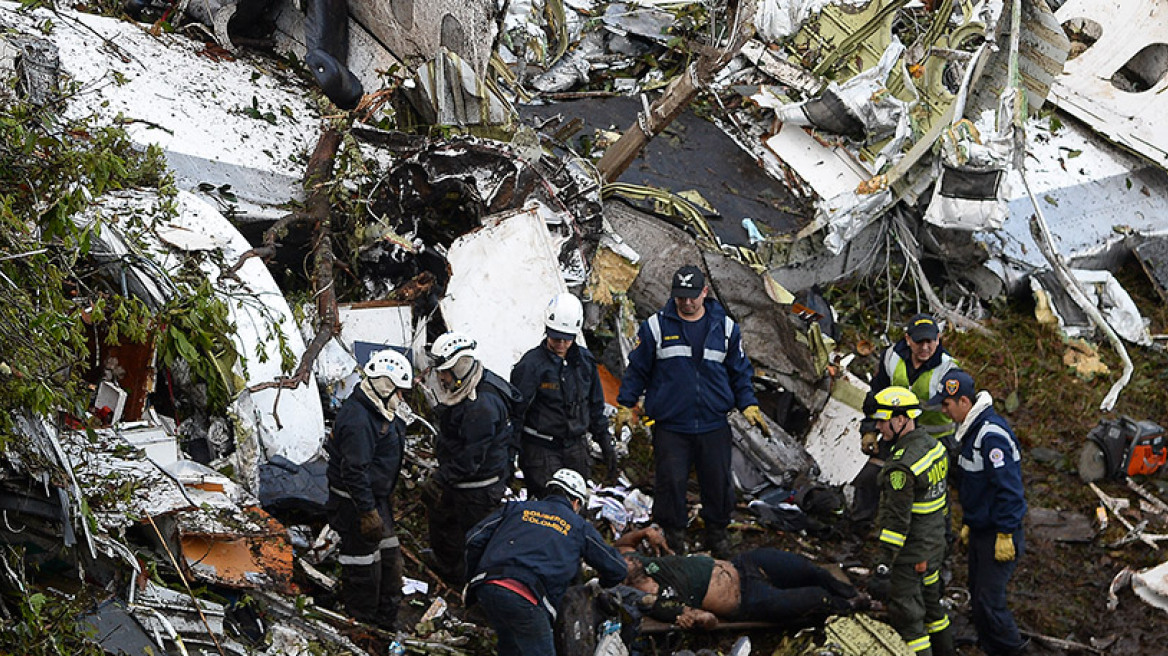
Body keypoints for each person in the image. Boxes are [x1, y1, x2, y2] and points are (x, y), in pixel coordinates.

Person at [615, 265, 768, 557]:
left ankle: (717, 533)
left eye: (692, 297)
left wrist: (748, 403)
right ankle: (673, 536)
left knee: (718, 482)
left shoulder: (725, 328)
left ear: (704, 292)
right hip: (671, 425)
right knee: (670, 482)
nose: (686, 302)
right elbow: (638, 371)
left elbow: (740, 372)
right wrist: (625, 404)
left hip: (713, 424)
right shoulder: (656, 327)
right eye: (681, 297)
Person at [465, 469, 628, 656]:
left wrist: (473, 576)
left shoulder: (517, 508)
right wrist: (601, 584)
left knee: (511, 645)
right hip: (527, 597)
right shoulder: (578, 526)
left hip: (487, 587)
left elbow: (474, 538)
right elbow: (617, 568)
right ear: (576, 502)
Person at [931, 370, 1028, 656]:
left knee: (990, 601)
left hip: (998, 533)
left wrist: (1006, 532)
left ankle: (1013, 652)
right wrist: (970, 522)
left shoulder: (990, 436)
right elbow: (975, 485)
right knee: (977, 596)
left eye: (947, 405)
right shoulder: (970, 432)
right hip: (981, 529)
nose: (944, 412)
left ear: (964, 401)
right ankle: (990, 648)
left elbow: (1009, 490)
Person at [615, 526, 866, 630]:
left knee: (811, 571)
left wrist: (644, 532)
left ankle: (852, 592)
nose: (627, 560)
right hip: (747, 598)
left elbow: (624, 544)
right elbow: (707, 620)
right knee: (816, 597)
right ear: (622, 580)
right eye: (624, 563)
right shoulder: (652, 598)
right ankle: (849, 605)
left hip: (745, 565)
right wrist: (700, 619)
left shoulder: (632, 560)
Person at [423, 331, 523, 587]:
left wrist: (440, 479)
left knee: (473, 538)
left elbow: (470, 459)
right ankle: (449, 568)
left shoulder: (482, 407)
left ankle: (468, 583)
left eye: (445, 372)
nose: (441, 378)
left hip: (477, 488)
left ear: (460, 367)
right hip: (466, 480)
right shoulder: (475, 385)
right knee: (445, 524)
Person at [324, 349, 413, 629]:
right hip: (355, 505)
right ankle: (361, 624)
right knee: (362, 565)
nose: (402, 398)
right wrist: (367, 512)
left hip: (376, 501)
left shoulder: (380, 411)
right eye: (399, 391)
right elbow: (354, 471)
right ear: (386, 387)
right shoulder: (359, 420)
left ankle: (386, 620)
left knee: (390, 560)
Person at [852, 312, 959, 535]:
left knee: (934, 492)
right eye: (919, 342)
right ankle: (857, 532)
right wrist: (869, 430)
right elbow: (875, 397)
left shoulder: (948, 370)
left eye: (930, 341)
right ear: (908, 339)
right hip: (897, 436)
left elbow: (959, 410)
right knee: (869, 478)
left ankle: (944, 544)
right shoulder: (892, 358)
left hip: (935, 442)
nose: (925, 348)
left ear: (938, 339)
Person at [867, 386, 954, 656]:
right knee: (934, 610)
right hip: (934, 546)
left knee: (909, 620)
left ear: (901, 419)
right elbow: (943, 502)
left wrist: (883, 565)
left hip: (911, 555)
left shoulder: (901, 467)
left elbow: (896, 522)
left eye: (883, 421)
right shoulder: (935, 447)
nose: (879, 427)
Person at [511, 293, 618, 497]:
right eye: (556, 337)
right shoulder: (531, 366)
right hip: (541, 449)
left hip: (576, 448)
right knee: (550, 504)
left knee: (576, 504)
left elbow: (595, 406)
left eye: (566, 339)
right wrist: (510, 454)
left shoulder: (585, 362)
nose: (561, 343)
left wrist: (605, 442)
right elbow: (516, 414)